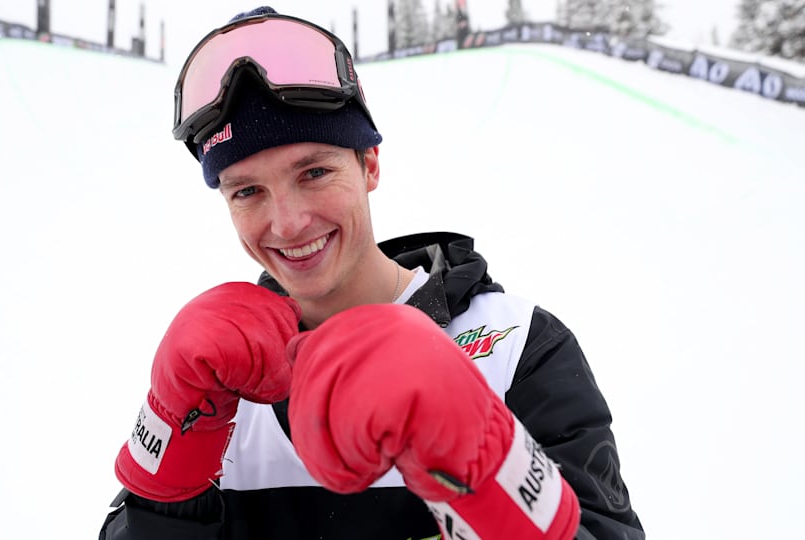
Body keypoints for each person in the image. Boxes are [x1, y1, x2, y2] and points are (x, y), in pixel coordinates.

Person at [100, 6, 645, 539]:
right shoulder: (219, 377)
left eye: (314, 172)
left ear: (370, 165)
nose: (287, 223)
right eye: (247, 191)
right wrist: (168, 455)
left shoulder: (515, 346)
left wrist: (484, 457)